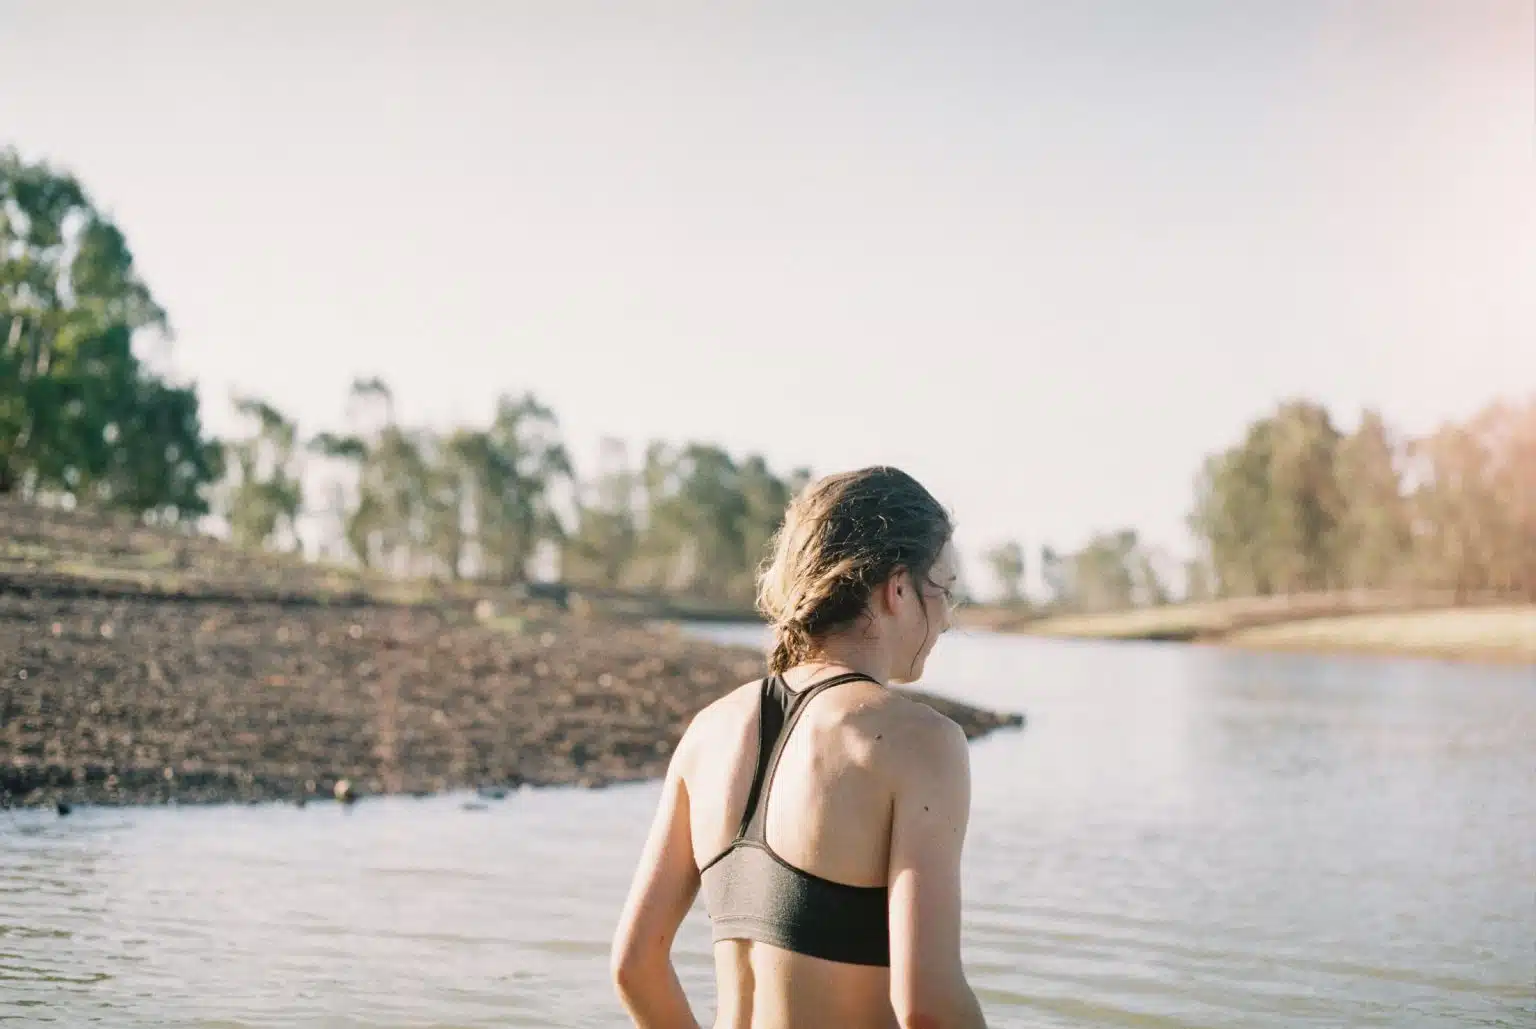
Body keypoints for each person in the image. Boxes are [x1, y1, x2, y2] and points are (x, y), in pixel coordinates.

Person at [611, 466, 988, 1029]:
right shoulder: (921, 743)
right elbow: (927, 1005)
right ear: (899, 588)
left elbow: (635, 965)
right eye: (945, 587)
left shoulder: (709, 731)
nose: (947, 619)